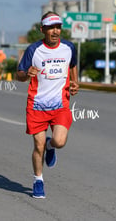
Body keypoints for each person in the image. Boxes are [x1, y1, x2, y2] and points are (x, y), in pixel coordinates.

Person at [16, 11, 79, 199]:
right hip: (37, 106)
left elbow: (73, 64)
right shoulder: (33, 50)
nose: (55, 31)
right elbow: (18, 75)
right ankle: (38, 180)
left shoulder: (69, 48)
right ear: (42, 30)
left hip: (60, 105)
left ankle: (51, 148)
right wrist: (27, 74)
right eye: (51, 28)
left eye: (58, 27)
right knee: (38, 144)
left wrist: (75, 82)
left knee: (58, 142)